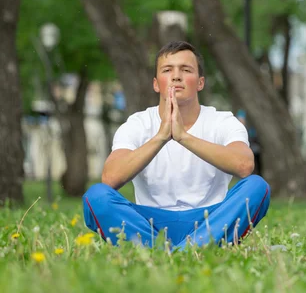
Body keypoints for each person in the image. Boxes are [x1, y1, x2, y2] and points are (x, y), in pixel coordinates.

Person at [82, 41, 270, 249]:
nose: (176, 76)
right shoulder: (137, 124)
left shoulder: (222, 121)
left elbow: (244, 165)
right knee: (96, 197)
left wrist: (183, 137)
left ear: (200, 82)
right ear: (156, 84)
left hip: (210, 221)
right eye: (167, 70)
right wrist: (161, 137)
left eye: (186, 70)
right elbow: (110, 178)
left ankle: (176, 251)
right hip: (149, 225)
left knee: (257, 187)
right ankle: (180, 251)